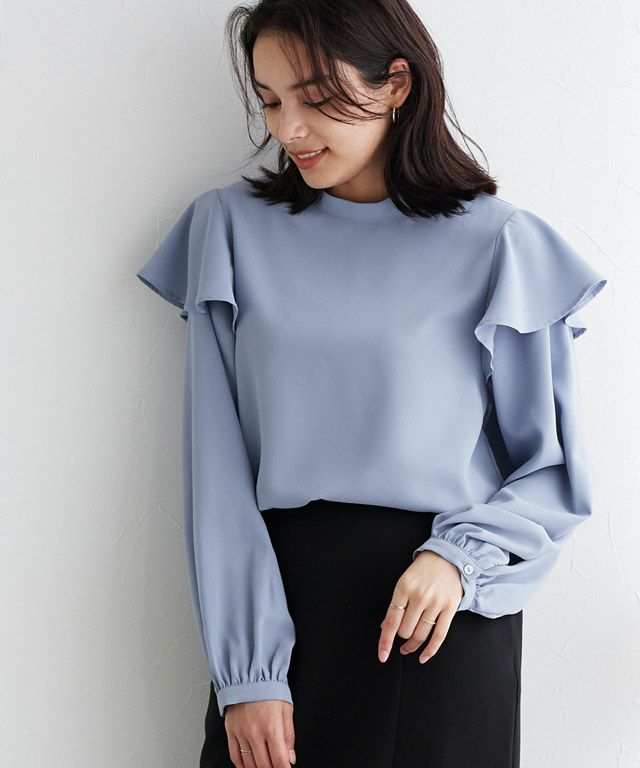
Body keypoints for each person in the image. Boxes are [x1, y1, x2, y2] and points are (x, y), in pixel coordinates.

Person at [135, 1, 608, 766]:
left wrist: (457, 559)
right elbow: (214, 470)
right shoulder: (228, 230)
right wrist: (249, 671)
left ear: (396, 85)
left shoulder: (502, 243)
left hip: (436, 622)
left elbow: (552, 471)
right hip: (284, 609)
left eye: (314, 98)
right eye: (270, 101)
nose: (289, 129)